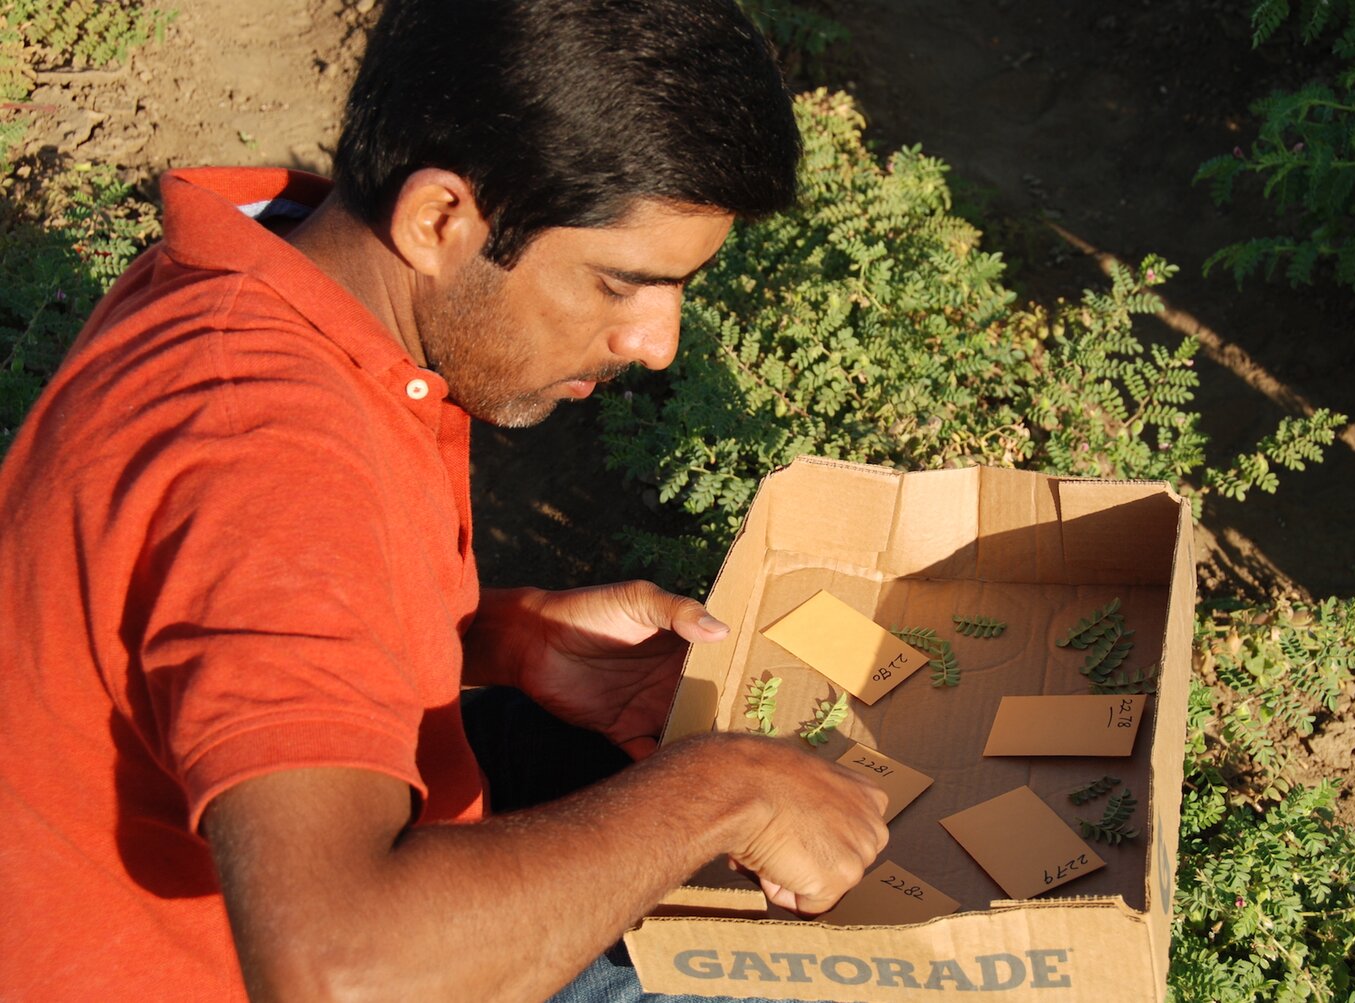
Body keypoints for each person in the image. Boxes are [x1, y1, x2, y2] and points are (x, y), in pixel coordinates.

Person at [0, 1, 889, 999]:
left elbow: (216, 625)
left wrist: (496, 639)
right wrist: (727, 792)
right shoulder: (271, 459)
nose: (656, 343)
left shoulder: (266, 280)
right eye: (617, 283)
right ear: (437, 220)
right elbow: (341, 972)